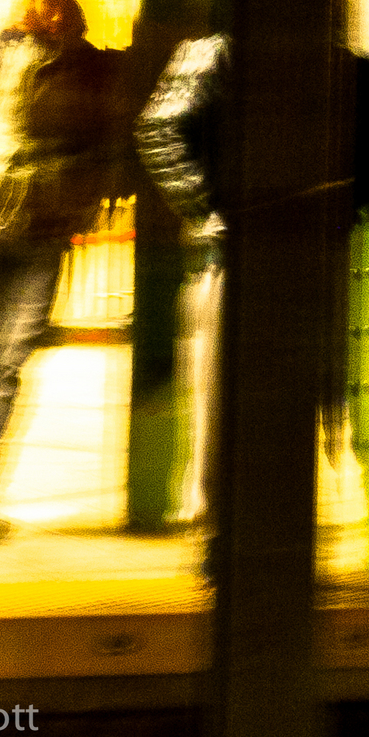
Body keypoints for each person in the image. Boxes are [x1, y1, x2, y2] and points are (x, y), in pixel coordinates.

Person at [0, 0, 124, 539]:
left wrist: (80, 202)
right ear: (30, 0)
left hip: (43, 227)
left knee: (6, 356)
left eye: (66, 0)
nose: (59, 10)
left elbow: (106, 144)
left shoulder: (85, 64)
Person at [136, 33, 230, 528]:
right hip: (228, 253)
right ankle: (214, 514)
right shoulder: (215, 53)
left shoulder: (208, 54)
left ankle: (218, 508)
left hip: (241, 243)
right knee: (216, 392)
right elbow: (159, 127)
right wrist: (208, 208)